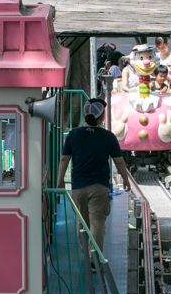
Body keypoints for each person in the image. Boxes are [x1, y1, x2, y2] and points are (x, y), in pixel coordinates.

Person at [55, 100, 133, 253]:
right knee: (97, 222)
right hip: (99, 186)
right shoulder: (108, 137)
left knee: (82, 221)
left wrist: (60, 180)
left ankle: (85, 251)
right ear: (102, 117)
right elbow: (119, 162)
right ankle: (94, 258)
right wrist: (125, 179)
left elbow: (64, 159)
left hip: (78, 186)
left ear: (84, 115)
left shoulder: (73, 134)